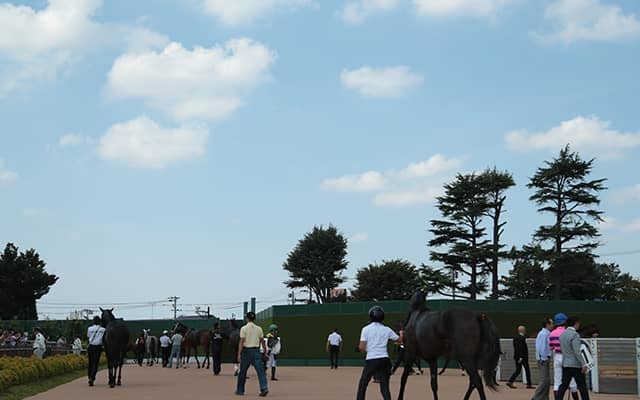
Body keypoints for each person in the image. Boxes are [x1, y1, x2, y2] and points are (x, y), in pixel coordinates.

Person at [356, 305, 403, 400]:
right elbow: (399, 340)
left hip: (371, 359)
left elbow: (362, 347)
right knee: (384, 386)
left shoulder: (365, 329)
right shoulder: (387, 329)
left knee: (363, 384)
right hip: (384, 360)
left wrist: (363, 349)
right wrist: (401, 333)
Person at [555, 316, 590, 400]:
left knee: (563, 385)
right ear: (576, 323)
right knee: (582, 386)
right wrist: (583, 364)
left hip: (566, 363)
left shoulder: (562, 335)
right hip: (576, 365)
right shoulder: (575, 335)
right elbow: (577, 351)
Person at [236, 311, 269, 397]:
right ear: (254, 319)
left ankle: (240, 390)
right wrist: (265, 352)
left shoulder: (244, 328)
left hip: (246, 351)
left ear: (247, 319)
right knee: (261, 371)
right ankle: (264, 388)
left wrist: (239, 354)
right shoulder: (259, 329)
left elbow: (241, 342)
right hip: (256, 351)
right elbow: (262, 342)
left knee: (243, 371)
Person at [550, 313, 578, 400]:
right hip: (567, 357)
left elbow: (551, 347)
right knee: (572, 380)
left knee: (557, 381)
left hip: (557, 356)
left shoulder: (552, 333)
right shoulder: (568, 332)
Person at [532, 318, 554, 400]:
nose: (553, 325)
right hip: (543, 359)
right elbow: (541, 348)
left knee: (547, 380)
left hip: (545, 358)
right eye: (552, 323)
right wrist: (544, 358)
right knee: (544, 380)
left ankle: (545, 397)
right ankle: (536, 397)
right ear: (547, 325)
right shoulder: (543, 334)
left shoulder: (546, 333)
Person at [87, 316, 105, 386]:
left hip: (90, 346)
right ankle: (92, 377)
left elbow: (88, 336)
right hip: (98, 347)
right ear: (100, 321)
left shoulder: (89, 328)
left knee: (90, 362)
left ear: (93, 321)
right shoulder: (103, 329)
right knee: (95, 363)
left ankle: (89, 377)